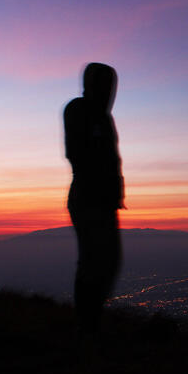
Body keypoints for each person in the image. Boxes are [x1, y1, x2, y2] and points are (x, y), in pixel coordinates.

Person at [64, 62, 125, 334]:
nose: (108, 92)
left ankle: (90, 320)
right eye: (103, 85)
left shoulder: (104, 118)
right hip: (88, 197)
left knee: (108, 260)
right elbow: (78, 152)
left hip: (104, 201)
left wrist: (115, 193)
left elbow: (112, 159)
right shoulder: (78, 110)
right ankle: (87, 326)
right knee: (94, 261)